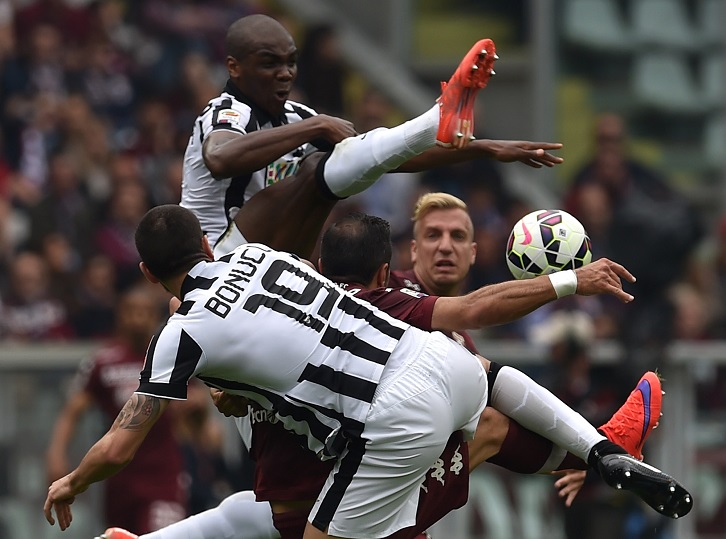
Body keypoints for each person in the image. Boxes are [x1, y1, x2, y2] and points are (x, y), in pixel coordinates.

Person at [45, 205, 693, 539]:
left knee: (302, 520)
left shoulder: (181, 334)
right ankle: (602, 446)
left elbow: (119, 443)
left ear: (146, 275)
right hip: (441, 361)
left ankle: (603, 446)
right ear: (212, 246)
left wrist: (72, 481)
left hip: (387, 419)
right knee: (489, 400)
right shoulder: (265, 257)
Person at [180, 14, 564, 261]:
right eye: (269, 63)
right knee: (317, 164)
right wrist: (315, 128)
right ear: (234, 67)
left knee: (341, 157)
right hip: (216, 263)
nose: (285, 73)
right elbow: (220, 157)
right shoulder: (226, 111)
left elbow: (382, 157)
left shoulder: (296, 116)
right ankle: (435, 117)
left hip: (272, 261)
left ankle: (437, 121)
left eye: (291, 61)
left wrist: (484, 149)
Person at [45, 287, 187, 534]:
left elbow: (196, 409)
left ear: (155, 317)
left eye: (144, 312)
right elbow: (73, 411)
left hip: (162, 478)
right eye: (131, 312)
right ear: (120, 315)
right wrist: (56, 454)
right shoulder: (103, 362)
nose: (138, 319)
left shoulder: (170, 356)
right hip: (117, 477)